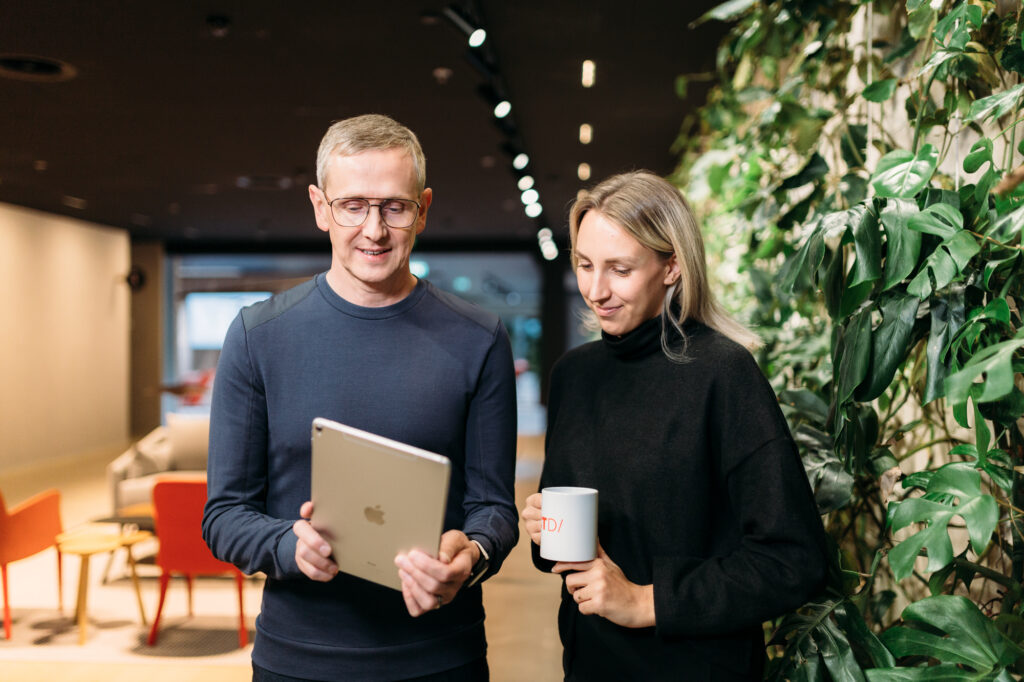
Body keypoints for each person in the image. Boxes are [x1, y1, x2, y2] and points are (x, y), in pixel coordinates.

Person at [203, 114, 519, 682]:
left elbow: (494, 509)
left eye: (394, 207)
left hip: (441, 657)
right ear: (320, 207)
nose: (373, 230)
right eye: (352, 205)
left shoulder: (480, 337)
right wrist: (286, 545)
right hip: (299, 661)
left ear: (422, 208)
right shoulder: (257, 336)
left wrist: (469, 556)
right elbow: (224, 516)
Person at [521, 171, 828, 681]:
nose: (595, 291)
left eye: (619, 269)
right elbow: (572, 551)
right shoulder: (574, 375)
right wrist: (545, 533)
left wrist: (648, 601)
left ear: (672, 267)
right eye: (584, 265)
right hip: (590, 665)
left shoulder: (723, 374)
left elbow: (793, 560)